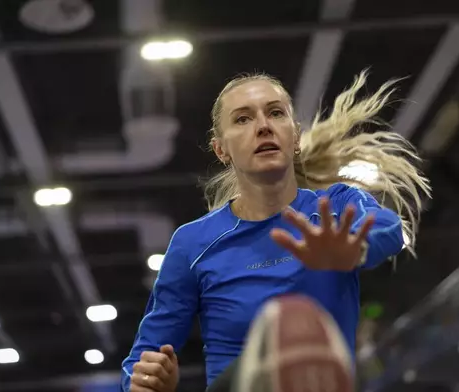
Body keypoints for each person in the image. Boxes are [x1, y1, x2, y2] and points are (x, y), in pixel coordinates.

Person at [121, 71, 431, 392]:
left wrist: (355, 248)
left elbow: (390, 228)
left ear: (295, 136)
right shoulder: (192, 242)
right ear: (221, 150)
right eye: (243, 119)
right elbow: (144, 356)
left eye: (275, 113)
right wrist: (145, 381)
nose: (263, 126)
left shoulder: (337, 205)